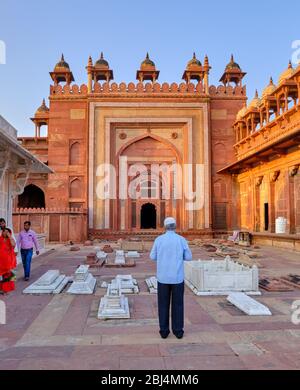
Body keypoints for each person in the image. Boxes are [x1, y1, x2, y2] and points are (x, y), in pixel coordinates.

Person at [150, 217, 192, 339]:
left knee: (163, 304)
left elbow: (152, 256)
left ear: (165, 227)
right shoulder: (181, 240)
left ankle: (164, 331)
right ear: (175, 226)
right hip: (177, 278)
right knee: (178, 304)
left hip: (162, 278)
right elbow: (188, 257)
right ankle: (178, 331)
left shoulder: (159, 240)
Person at [0, 228, 17, 293]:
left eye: (7, 232)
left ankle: (6, 289)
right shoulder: (0, 239)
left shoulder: (10, 240)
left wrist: (9, 236)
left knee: (7, 275)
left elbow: (13, 245)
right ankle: (2, 288)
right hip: (1, 261)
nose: (5, 233)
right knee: (2, 275)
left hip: (8, 261)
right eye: (4, 231)